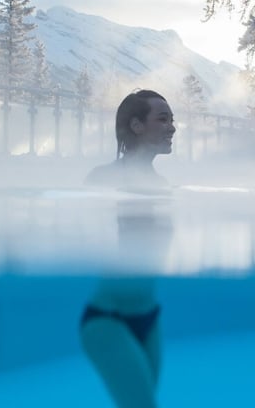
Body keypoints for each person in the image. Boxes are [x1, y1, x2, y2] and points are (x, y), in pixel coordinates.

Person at [80, 89, 176, 408]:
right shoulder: (103, 179)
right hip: (108, 320)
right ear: (136, 125)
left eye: (172, 120)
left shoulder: (163, 187)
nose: (172, 127)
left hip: (149, 318)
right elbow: (89, 239)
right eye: (163, 119)